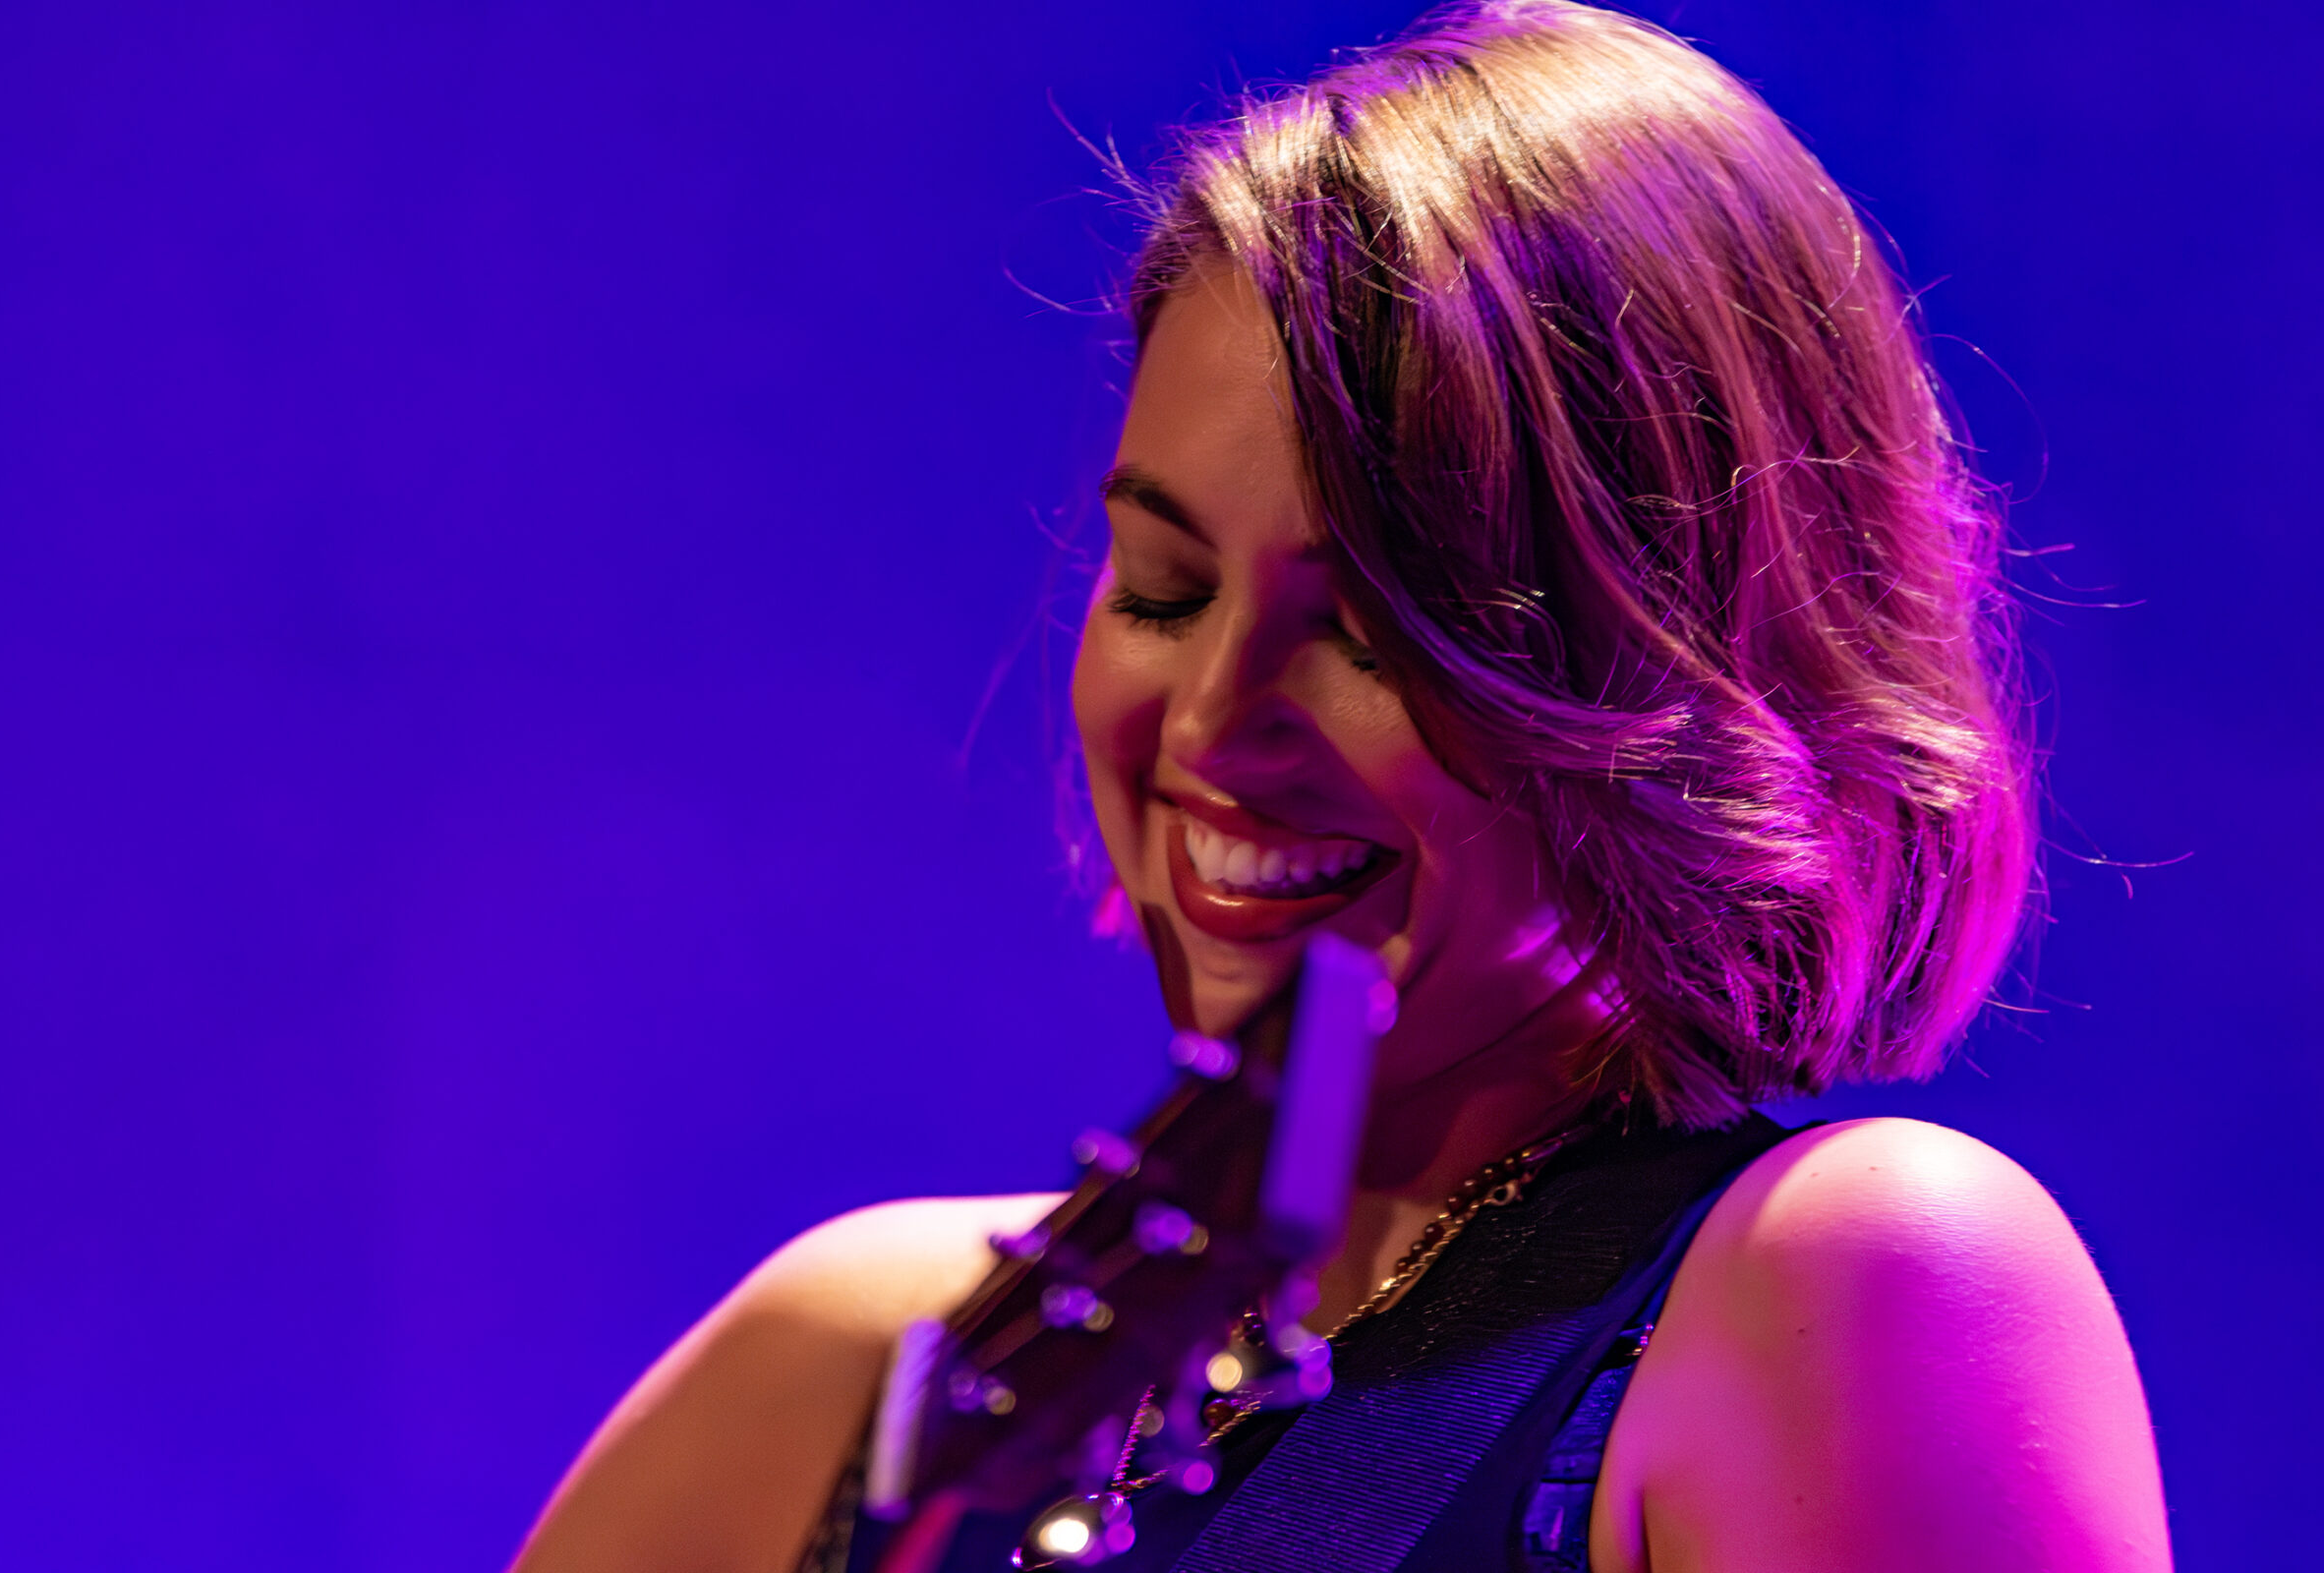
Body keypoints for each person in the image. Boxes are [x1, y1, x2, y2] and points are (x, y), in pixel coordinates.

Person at [508, 4, 2171, 1569]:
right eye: (1165, 590)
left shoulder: (1850, 1278)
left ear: (1669, 677)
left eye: (1369, 633)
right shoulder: (850, 1364)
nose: (1214, 726)